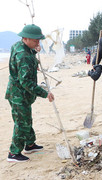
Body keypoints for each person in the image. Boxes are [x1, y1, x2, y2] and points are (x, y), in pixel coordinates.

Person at [5, 24, 54, 162]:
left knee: (27, 118)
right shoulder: (23, 55)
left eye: (39, 40)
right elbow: (26, 82)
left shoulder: (18, 45)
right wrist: (45, 93)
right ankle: (14, 153)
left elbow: (27, 59)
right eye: (35, 41)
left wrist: (34, 55)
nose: (38, 43)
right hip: (18, 94)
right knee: (21, 123)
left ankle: (30, 144)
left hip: (21, 94)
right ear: (26, 38)